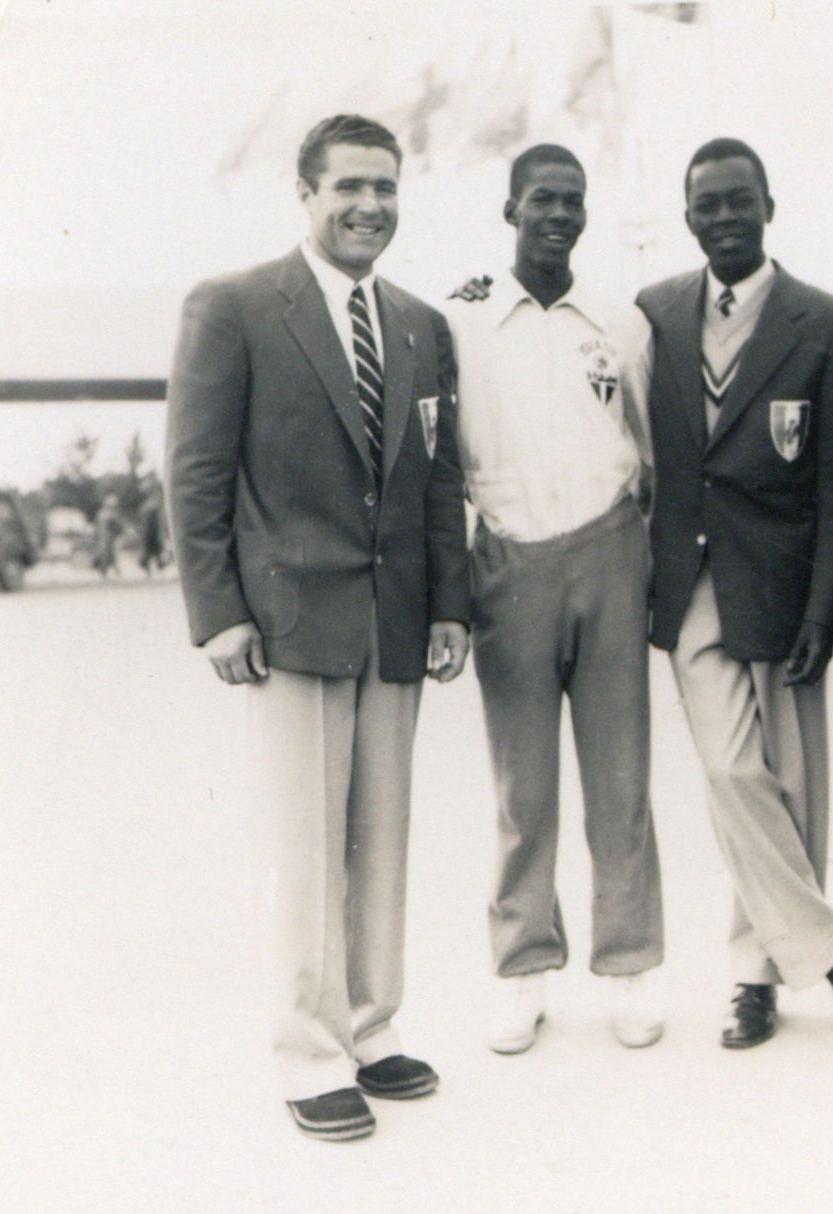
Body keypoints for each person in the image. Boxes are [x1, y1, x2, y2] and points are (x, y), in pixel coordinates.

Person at [166, 114, 470, 1140]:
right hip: (288, 626)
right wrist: (215, 614)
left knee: (382, 836)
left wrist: (449, 606)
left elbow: (439, 483)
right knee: (303, 845)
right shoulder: (237, 307)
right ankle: (306, 1051)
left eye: (385, 186)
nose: (369, 205)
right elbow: (197, 472)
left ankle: (372, 1028)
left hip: (393, 625)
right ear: (305, 193)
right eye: (348, 186)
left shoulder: (424, 325)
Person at [635, 138, 833, 1050]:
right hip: (691, 580)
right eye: (708, 204)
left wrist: (827, 610)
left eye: (741, 201)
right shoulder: (656, 312)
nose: (725, 217)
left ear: (770, 205)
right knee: (732, 771)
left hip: (786, 586)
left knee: (791, 785)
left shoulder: (828, 325)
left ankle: (754, 976)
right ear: (688, 216)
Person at [443, 144, 664, 1055]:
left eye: (573, 200)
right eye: (542, 199)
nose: (559, 214)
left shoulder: (618, 320)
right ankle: (523, 971)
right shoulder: (457, 319)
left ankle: (633, 968)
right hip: (508, 560)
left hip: (608, 550)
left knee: (620, 779)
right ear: (509, 211)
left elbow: (647, 445)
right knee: (521, 786)